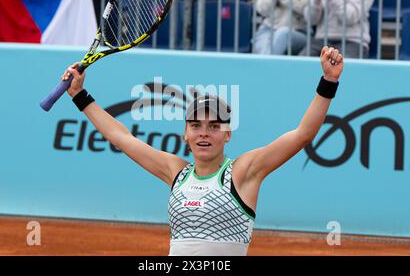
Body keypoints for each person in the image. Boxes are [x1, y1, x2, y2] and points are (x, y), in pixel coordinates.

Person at [61, 46, 344, 256]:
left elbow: (303, 134)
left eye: (213, 126)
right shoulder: (176, 172)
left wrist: (328, 82)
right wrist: (80, 95)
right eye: (196, 125)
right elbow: (121, 137)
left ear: (227, 133)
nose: (204, 133)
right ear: (185, 134)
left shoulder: (244, 172)